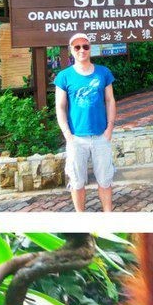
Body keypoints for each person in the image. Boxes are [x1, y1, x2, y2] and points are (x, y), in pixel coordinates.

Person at [54, 32, 117, 212]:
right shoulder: (64, 77)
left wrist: (109, 129)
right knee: (77, 182)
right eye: (77, 47)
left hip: (100, 136)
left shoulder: (103, 72)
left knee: (105, 180)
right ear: (71, 50)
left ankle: (108, 216)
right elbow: (60, 106)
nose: (82, 50)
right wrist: (67, 134)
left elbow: (110, 100)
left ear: (90, 49)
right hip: (76, 138)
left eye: (85, 46)